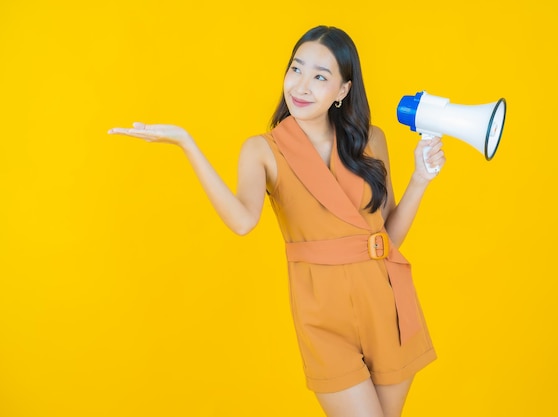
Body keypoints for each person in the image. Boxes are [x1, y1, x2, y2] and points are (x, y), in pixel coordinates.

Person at [108, 25, 445, 417]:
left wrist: (420, 178)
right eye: (296, 69)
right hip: (323, 314)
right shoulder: (262, 151)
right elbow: (241, 221)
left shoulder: (371, 139)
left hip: (389, 305)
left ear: (342, 91)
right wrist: (188, 143)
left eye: (320, 77)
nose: (301, 86)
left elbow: (385, 238)